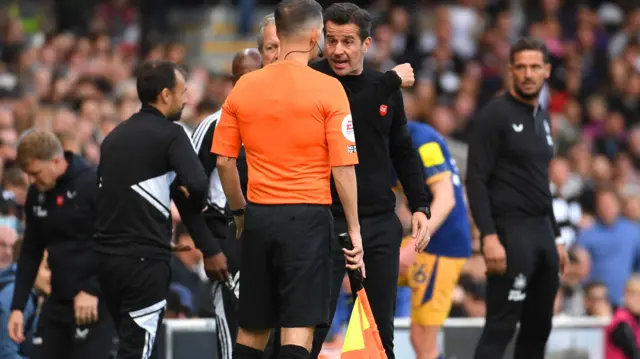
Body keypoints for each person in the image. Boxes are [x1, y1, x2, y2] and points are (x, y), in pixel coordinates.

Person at [211, 0, 363, 358]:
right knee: (298, 329)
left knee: (252, 330)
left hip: (260, 217)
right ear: (315, 36)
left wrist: (239, 213)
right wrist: (354, 227)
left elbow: (223, 163)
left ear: (277, 35)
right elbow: (342, 169)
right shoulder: (329, 89)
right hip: (307, 219)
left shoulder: (245, 87)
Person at [308, 3, 431, 358]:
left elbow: (403, 149)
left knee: (380, 334)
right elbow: (350, 114)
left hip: (378, 222)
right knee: (314, 328)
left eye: (347, 41)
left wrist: (420, 204)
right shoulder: (314, 80)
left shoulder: (381, 85)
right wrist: (392, 79)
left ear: (366, 44)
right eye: (331, 41)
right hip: (326, 222)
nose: (338, 50)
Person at [94, 60, 222, 359]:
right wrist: (197, 201)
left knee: (126, 344)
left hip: (107, 261)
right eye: (182, 92)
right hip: (144, 261)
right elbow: (197, 183)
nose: (186, 99)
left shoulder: (113, 137)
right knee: (137, 349)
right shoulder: (172, 133)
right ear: (165, 95)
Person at [466, 37, 569, 359]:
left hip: (542, 234)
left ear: (547, 71)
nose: (528, 74)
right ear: (510, 70)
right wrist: (489, 236)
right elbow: (476, 179)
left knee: (539, 329)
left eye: (535, 67)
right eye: (521, 67)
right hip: (510, 234)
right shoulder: (493, 115)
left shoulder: (543, 117)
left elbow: (541, 182)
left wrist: (557, 237)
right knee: (500, 328)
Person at [6, 129, 116, 359]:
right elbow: (30, 252)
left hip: (95, 302)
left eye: (36, 173)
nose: (31, 181)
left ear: (57, 161)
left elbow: (115, 240)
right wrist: (17, 307)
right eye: (27, 175)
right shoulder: (38, 194)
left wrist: (91, 289)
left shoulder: (92, 184)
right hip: (58, 299)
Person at [187, 48, 262, 359]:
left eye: (255, 77)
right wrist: (209, 247)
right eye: (242, 78)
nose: (249, 84)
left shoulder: (281, 121)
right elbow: (187, 191)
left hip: (271, 237)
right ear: (233, 82)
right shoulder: (214, 126)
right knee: (233, 329)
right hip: (228, 241)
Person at [397, 120, 472, 359]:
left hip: (442, 244)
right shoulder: (380, 139)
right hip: (420, 238)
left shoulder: (423, 139)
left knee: (422, 339)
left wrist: (412, 247)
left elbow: (446, 198)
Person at [1, 246, 51, 359]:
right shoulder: (12, 296)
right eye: (48, 268)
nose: (53, 276)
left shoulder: (32, 295)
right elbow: (6, 354)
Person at [605, 274, 640, 359]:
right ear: (624, 293)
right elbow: (634, 353)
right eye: (632, 293)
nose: (636, 298)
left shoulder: (635, 319)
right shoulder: (620, 322)